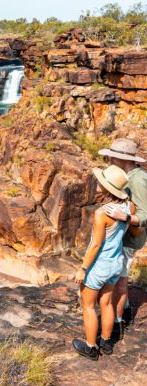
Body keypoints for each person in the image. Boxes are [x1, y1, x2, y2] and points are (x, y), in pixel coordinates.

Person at [73, 165, 136, 361]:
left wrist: (83, 269)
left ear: (108, 188)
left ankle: (91, 348)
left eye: (101, 183)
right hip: (116, 263)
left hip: (99, 266)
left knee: (89, 305)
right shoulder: (128, 207)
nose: (97, 185)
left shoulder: (102, 214)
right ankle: (106, 342)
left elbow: (95, 245)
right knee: (107, 302)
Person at [99, 138, 147, 339]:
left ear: (123, 159)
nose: (109, 159)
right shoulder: (128, 176)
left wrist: (123, 217)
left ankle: (116, 325)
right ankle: (123, 310)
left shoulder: (137, 179)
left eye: (112, 156)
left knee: (119, 282)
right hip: (122, 238)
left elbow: (145, 215)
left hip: (128, 241)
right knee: (118, 279)